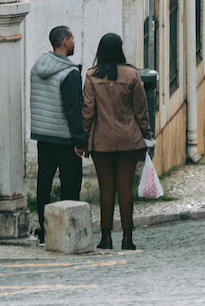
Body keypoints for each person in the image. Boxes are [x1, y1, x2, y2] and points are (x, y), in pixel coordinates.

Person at [81, 33, 153, 251]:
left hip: (101, 142)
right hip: (129, 140)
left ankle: (105, 238)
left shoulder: (92, 76)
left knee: (106, 189)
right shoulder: (132, 75)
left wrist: (84, 138)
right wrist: (147, 136)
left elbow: (88, 111)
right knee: (125, 189)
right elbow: (141, 111)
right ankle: (127, 238)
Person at [29, 24, 87, 246]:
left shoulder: (37, 66)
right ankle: (66, 232)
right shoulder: (69, 73)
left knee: (43, 184)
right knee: (70, 185)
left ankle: (45, 233)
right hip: (64, 138)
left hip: (43, 135)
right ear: (64, 41)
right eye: (72, 38)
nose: (74, 42)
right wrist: (81, 140)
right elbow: (73, 110)